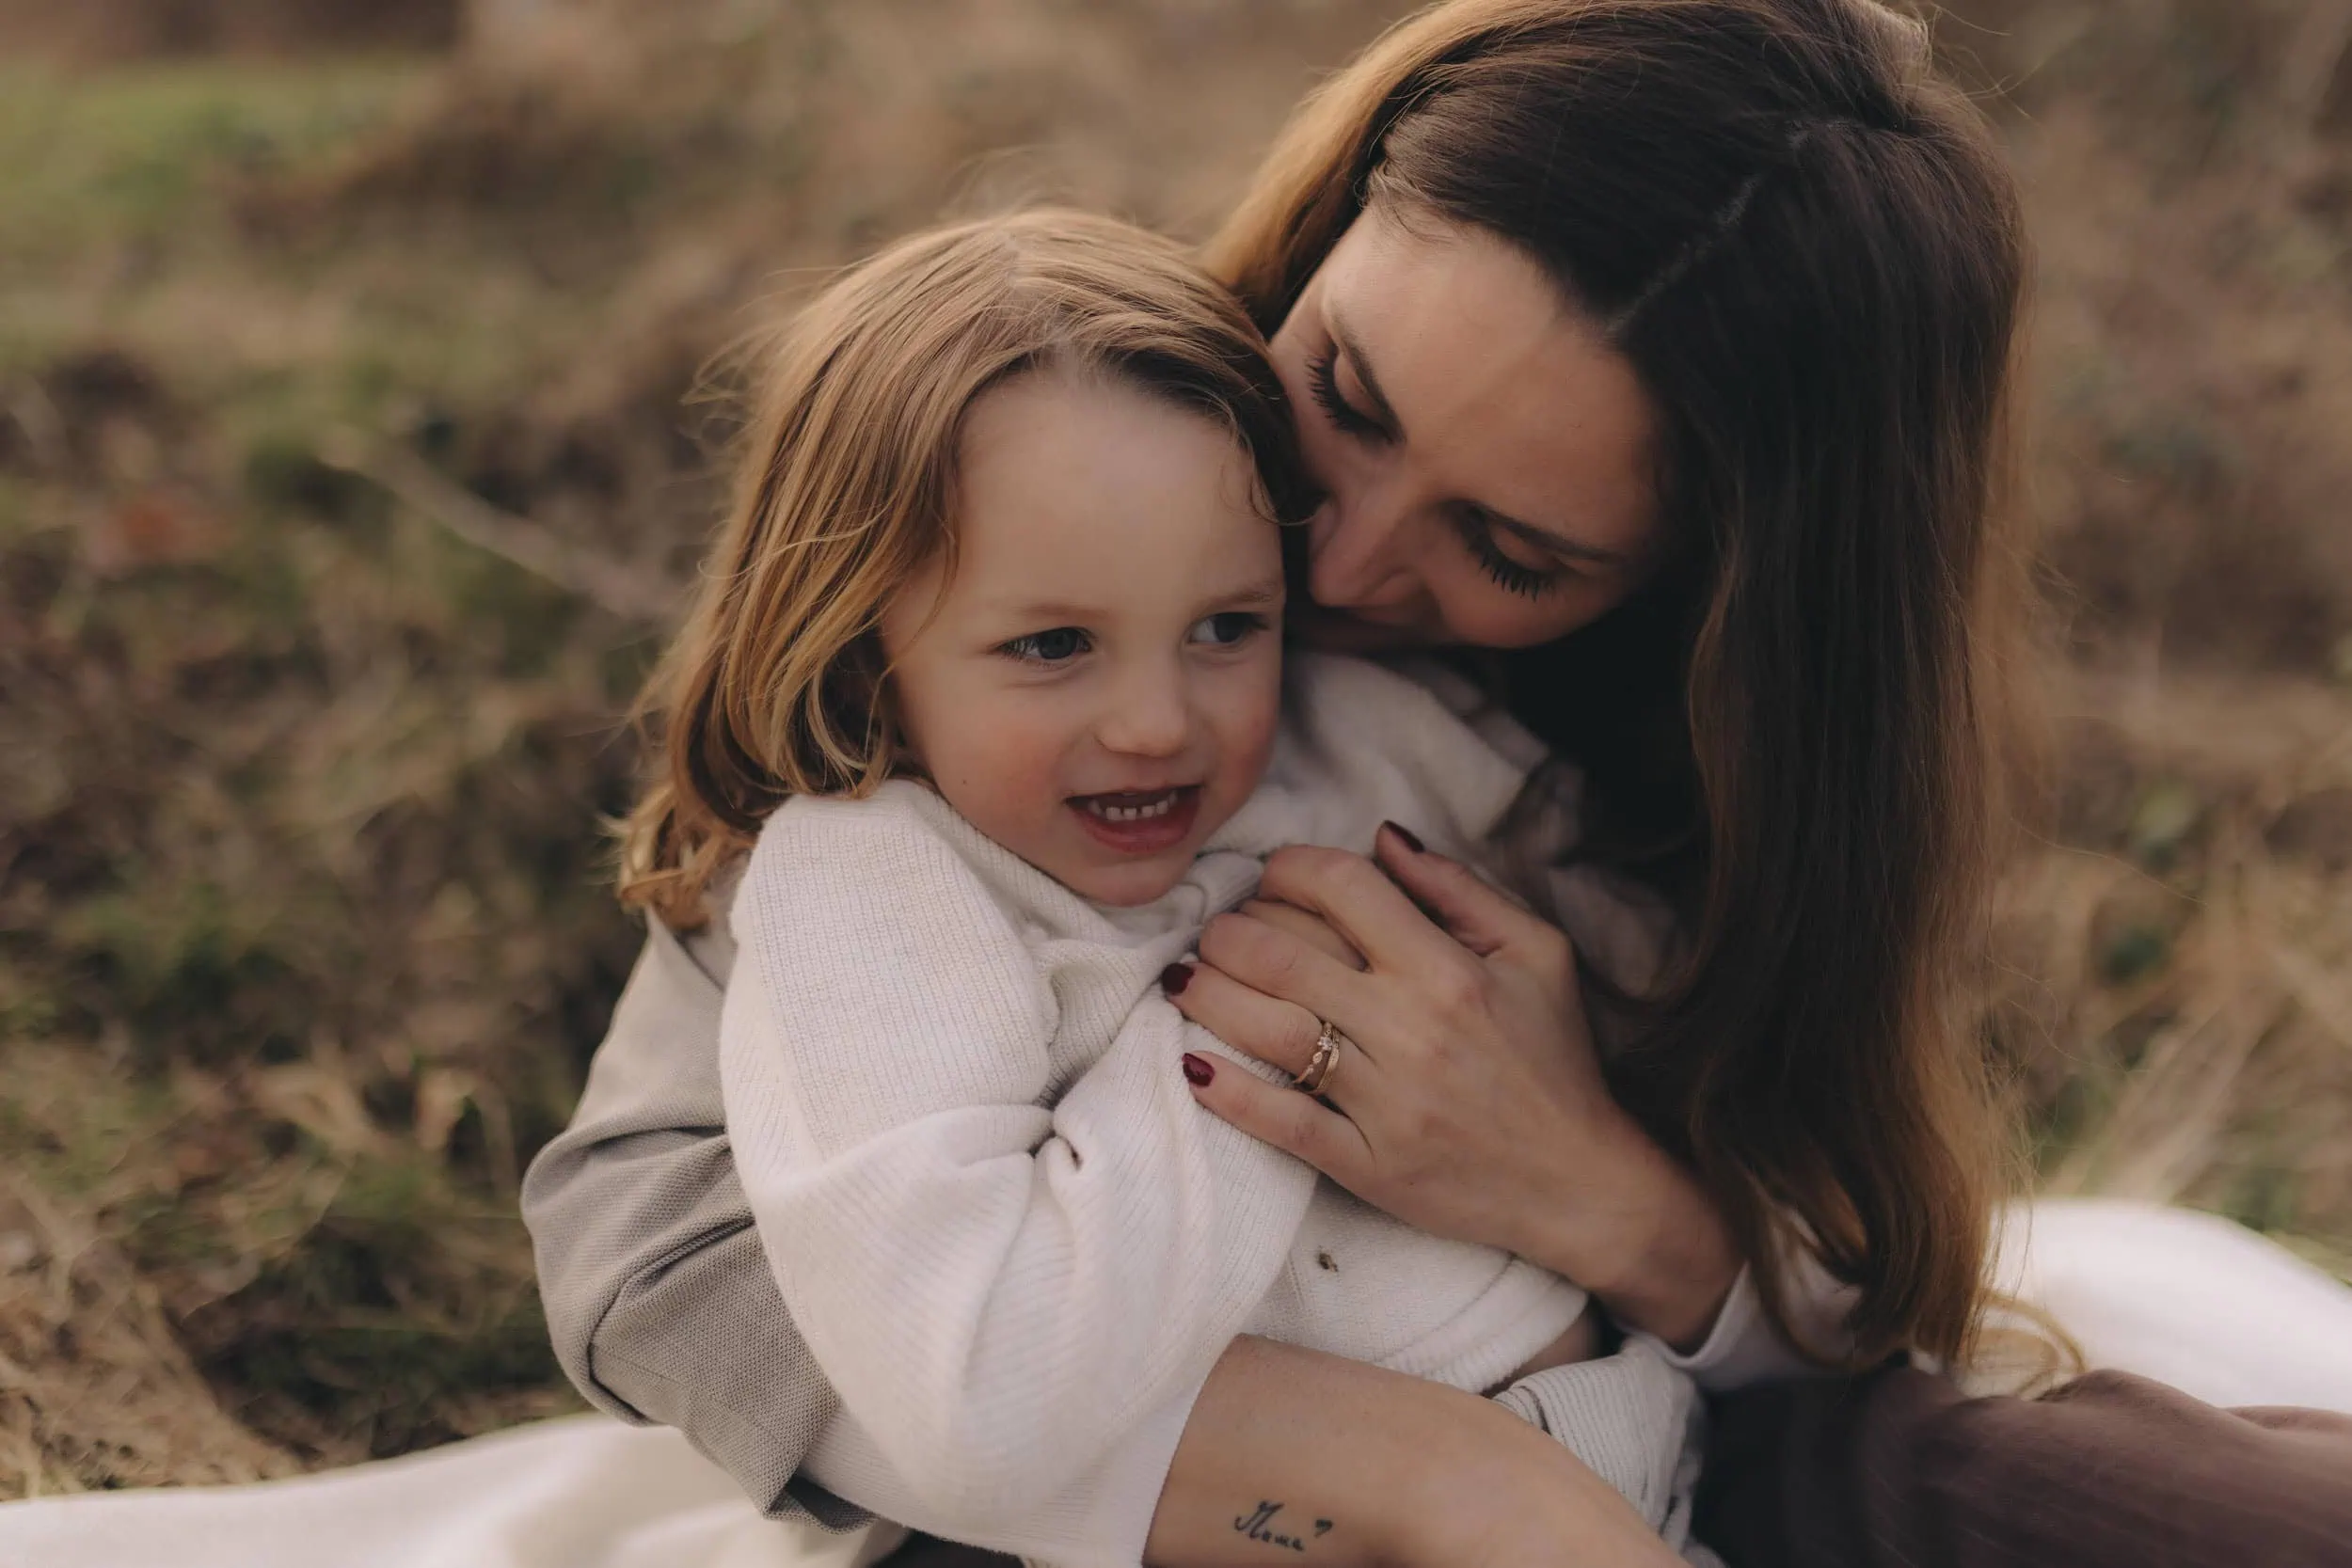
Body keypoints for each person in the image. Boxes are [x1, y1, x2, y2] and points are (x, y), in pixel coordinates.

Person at [524, 2, 2352, 1565]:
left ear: (1711, 594)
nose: (1334, 562)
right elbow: (642, 1234)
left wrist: (1600, 1191)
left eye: (1506, 542)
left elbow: (1844, 1310)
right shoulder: (1071, 486)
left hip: (1683, 1429)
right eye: (1348, 391)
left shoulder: (1658, 774)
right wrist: (1417, 1476)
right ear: (1333, 220)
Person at [641, 206, 1702, 1564]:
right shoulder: (878, 892)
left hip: (1642, 1470)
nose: (1158, 722)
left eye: (1224, 625)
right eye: (1052, 643)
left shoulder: (1364, 729)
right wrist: (1243, 1038)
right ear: (863, 644)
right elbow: (975, 1390)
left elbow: (1704, 1020)